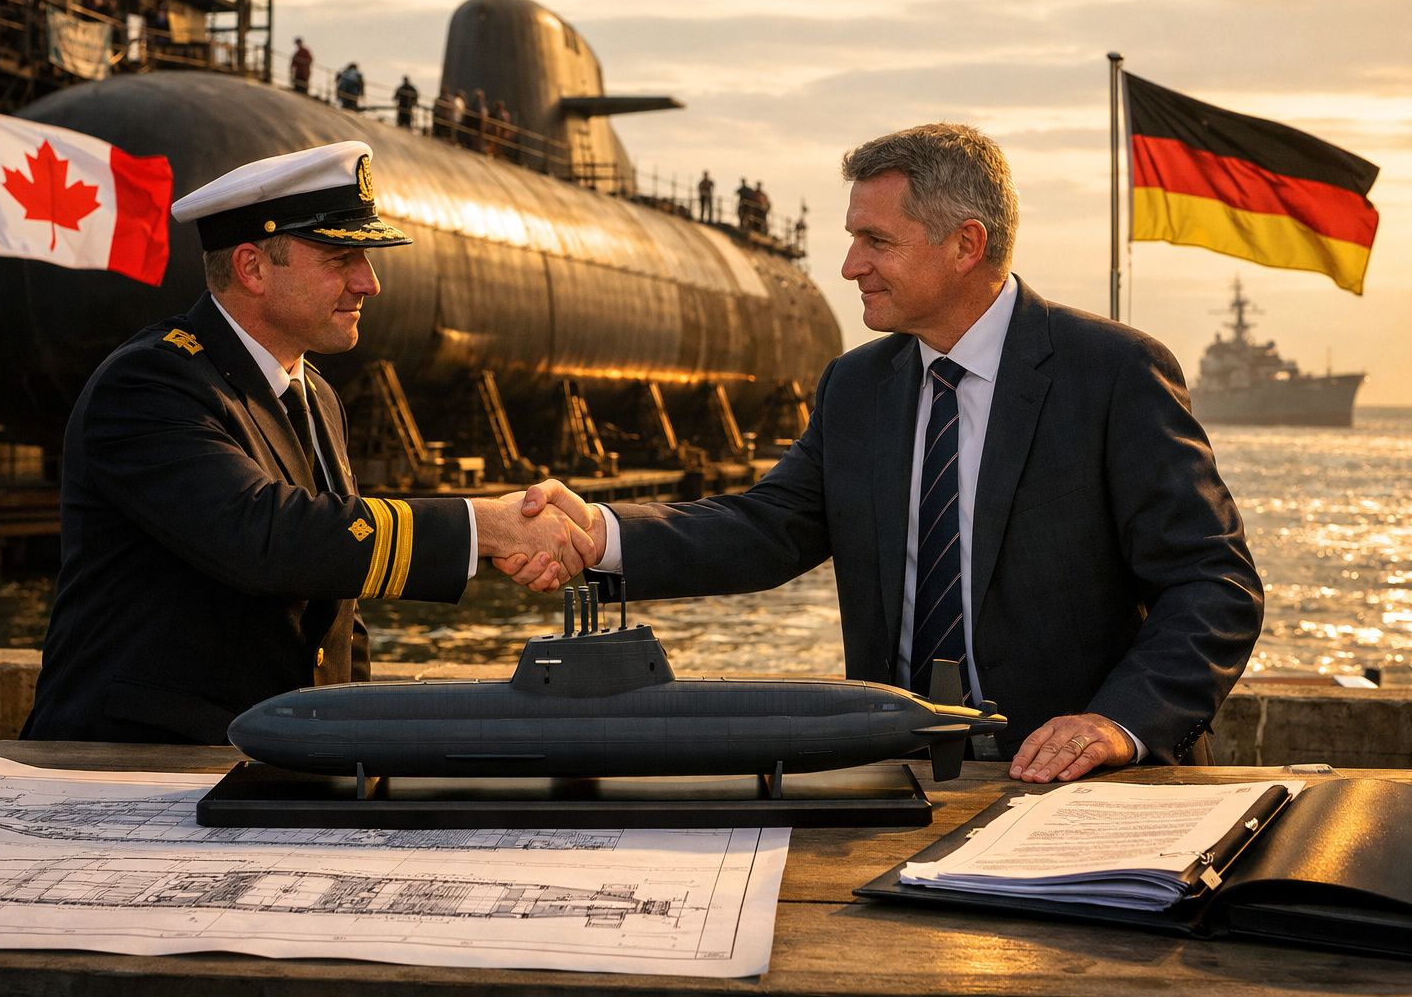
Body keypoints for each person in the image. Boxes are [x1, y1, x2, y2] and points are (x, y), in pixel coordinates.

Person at [514, 123, 1264, 784]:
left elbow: (1212, 582)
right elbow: (768, 527)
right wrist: (599, 534)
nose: (849, 266)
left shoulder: (1113, 371)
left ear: (966, 244)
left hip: (1078, 786)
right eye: (853, 238)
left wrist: (1118, 724)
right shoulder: (857, 384)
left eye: (876, 241)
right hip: (896, 774)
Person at [20, 141, 598, 745]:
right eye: (339, 258)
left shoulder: (313, 394)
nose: (368, 284)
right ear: (252, 267)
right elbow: (264, 537)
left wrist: (355, 744)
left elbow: (338, 608)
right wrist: (482, 527)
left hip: (269, 756)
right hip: (130, 766)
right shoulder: (150, 384)